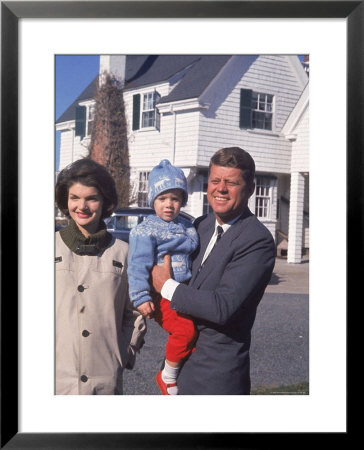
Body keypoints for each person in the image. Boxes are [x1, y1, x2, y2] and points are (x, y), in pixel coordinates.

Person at [152, 147, 276, 395]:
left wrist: (166, 286)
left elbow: (222, 307)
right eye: (215, 181)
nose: (220, 189)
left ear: (250, 189)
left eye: (231, 182)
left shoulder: (257, 240)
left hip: (217, 378)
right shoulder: (200, 225)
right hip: (180, 365)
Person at [55, 158, 146, 395]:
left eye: (91, 198)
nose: (82, 206)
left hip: (105, 382)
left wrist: (124, 354)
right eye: (74, 197)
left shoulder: (124, 253)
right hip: (55, 382)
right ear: (66, 200)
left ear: (104, 201)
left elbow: (134, 312)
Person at [127, 160, 199, 395]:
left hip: (184, 292)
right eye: (162, 199)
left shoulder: (188, 228)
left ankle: (185, 361)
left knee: (196, 332)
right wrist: (140, 297)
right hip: (159, 296)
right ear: (152, 201)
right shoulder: (145, 231)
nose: (169, 205)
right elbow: (137, 265)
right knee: (185, 331)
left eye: (175, 199)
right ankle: (167, 375)